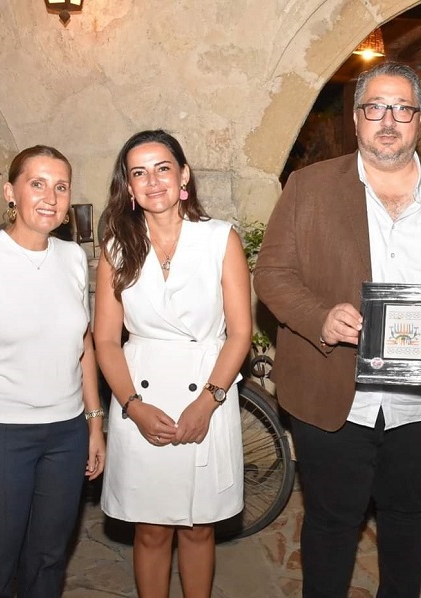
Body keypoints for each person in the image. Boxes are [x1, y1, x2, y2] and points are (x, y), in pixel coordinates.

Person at [253, 62, 421, 597]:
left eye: (402, 108)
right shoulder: (308, 187)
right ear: (356, 119)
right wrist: (320, 317)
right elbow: (272, 274)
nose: (388, 120)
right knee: (330, 523)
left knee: (408, 516)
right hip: (332, 392)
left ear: (419, 120)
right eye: (375, 107)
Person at [94, 129, 250, 597]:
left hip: (209, 388)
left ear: (183, 175)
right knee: (151, 529)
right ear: (128, 186)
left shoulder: (220, 239)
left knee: (200, 527)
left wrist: (209, 400)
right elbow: (106, 340)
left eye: (162, 168)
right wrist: (132, 406)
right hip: (140, 394)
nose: (153, 181)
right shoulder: (116, 247)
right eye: (139, 173)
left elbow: (240, 333)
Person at [0, 145, 106, 597]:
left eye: (61, 187)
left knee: (48, 561)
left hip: (66, 435)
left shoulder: (72, 257)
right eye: (37, 184)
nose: (50, 197)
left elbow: (83, 345)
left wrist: (94, 424)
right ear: (11, 192)